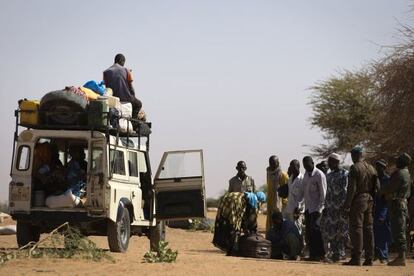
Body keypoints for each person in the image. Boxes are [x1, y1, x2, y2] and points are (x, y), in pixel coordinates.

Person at [343, 146, 379, 266]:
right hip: (369, 199)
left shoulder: (355, 168)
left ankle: (356, 257)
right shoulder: (371, 168)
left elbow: (352, 188)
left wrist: (347, 205)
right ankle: (369, 257)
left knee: (356, 228)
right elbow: (377, 187)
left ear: (354, 155)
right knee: (368, 228)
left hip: (358, 200)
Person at [381, 153, 412, 266]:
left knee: (399, 230)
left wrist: (380, 190)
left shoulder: (400, 173)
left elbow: (390, 187)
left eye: (398, 160)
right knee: (399, 229)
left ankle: (401, 257)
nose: (396, 161)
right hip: (401, 203)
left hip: (397, 204)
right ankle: (401, 256)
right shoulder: (406, 173)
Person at [320, 153, 348, 262]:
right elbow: (327, 193)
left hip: (340, 208)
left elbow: (346, 191)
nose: (329, 164)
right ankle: (334, 253)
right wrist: (326, 207)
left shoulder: (345, 174)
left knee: (341, 232)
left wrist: (345, 206)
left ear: (336, 162)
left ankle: (341, 253)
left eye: (330, 162)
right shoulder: (329, 176)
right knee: (331, 231)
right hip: (331, 208)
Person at [302, 156, 326, 261]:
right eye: (304, 165)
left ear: (312, 163)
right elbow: (303, 193)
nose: (306, 167)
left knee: (316, 230)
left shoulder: (319, 175)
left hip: (316, 208)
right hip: (308, 208)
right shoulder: (306, 175)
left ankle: (320, 254)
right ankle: (313, 255)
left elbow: (323, 193)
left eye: (308, 165)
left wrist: (319, 209)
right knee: (309, 232)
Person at [103, 53, 142, 119]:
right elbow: (131, 88)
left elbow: (107, 88)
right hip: (125, 98)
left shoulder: (106, 72)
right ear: (122, 61)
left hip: (112, 98)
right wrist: (133, 97)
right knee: (138, 104)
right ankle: (132, 123)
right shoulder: (126, 70)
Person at [373, 159, 391, 264]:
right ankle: (376, 253)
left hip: (384, 209)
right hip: (374, 208)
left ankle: (384, 255)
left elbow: (388, 198)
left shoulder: (388, 179)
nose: (378, 168)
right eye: (377, 166)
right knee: (374, 232)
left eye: (380, 166)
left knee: (383, 232)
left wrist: (383, 213)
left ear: (384, 167)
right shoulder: (374, 179)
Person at [266, 155, 289, 231]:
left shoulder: (283, 175)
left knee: (279, 222)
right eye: (270, 163)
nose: (272, 165)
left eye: (274, 163)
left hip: (279, 204)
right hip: (270, 201)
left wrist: (284, 204)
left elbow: (286, 192)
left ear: (278, 163)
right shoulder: (268, 173)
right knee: (270, 221)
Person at [284, 160, 304, 225]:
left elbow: (304, 195)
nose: (292, 168)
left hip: (297, 210)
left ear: (298, 166)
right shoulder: (290, 179)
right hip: (290, 208)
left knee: (297, 228)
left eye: (294, 166)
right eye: (291, 166)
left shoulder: (302, 179)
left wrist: (299, 208)